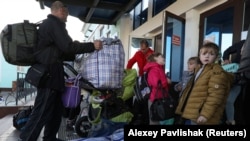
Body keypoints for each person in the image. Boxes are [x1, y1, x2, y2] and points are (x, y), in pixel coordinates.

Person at [19, 1, 102, 141]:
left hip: (54, 75)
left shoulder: (52, 25)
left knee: (55, 112)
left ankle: (50, 138)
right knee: (42, 111)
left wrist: (80, 52)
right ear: (61, 10)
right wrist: (91, 46)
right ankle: (27, 138)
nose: (67, 15)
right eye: (67, 11)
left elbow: (64, 52)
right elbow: (68, 46)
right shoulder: (53, 24)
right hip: (48, 75)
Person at [175, 42, 234, 125]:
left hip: (204, 117)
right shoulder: (200, 70)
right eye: (204, 53)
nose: (207, 56)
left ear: (216, 57)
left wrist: (205, 115)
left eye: (211, 54)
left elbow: (215, 96)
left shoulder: (216, 73)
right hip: (194, 114)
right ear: (200, 56)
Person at [143, 52, 172, 125]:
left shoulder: (159, 69)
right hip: (155, 99)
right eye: (161, 57)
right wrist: (166, 81)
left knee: (159, 120)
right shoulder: (154, 69)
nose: (164, 58)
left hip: (159, 98)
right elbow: (156, 84)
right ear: (155, 58)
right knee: (155, 121)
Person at [223, 40, 245, 125]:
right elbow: (227, 51)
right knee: (229, 101)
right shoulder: (242, 42)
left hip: (245, 79)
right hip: (235, 77)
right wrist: (226, 59)